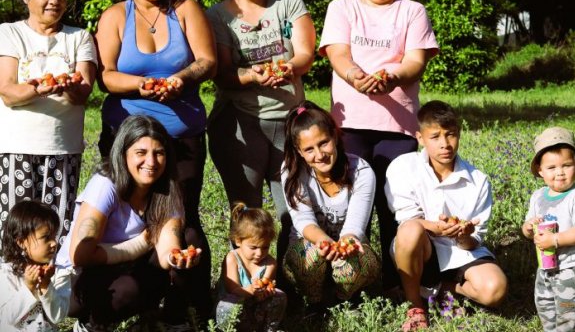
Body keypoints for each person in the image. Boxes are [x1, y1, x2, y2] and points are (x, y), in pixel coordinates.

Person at [94, 0, 215, 317]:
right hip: (126, 140)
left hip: (182, 138)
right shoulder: (115, 15)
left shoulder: (185, 9)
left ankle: (188, 303)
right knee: (128, 221)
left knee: (183, 218)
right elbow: (106, 77)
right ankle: (136, 294)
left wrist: (180, 78)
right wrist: (140, 84)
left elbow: (207, 61)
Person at [318, 0, 439, 292]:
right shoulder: (342, 7)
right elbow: (338, 54)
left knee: (394, 207)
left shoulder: (412, 11)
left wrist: (392, 77)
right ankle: (352, 281)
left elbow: (416, 61)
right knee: (351, 205)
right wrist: (356, 76)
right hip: (349, 122)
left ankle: (396, 280)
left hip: (397, 125)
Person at [205, 0, 316, 272]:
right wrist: (252, 76)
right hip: (240, 123)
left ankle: (292, 280)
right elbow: (222, 74)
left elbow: (306, 55)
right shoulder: (218, 16)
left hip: (290, 122)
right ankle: (242, 285)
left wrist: (288, 68)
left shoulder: (289, 3)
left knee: (294, 209)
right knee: (247, 211)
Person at [55, 115, 202, 331]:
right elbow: (80, 254)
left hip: (122, 269)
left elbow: (166, 250)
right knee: (129, 289)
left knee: (189, 237)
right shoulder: (106, 185)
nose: (151, 162)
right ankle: (91, 325)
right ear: (123, 155)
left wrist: (176, 258)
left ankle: (171, 319)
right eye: (140, 153)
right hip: (77, 281)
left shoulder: (168, 188)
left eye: (159, 153)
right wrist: (137, 247)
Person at [0, 0, 97, 248]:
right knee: (16, 230)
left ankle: (54, 291)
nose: (54, 0)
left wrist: (67, 86)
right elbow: (8, 91)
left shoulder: (79, 37)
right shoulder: (9, 33)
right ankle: (12, 292)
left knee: (56, 230)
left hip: (62, 150)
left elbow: (83, 92)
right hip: (17, 149)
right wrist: (39, 89)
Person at [385, 100, 507, 331]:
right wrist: (439, 228)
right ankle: (416, 305)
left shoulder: (478, 180)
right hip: (422, 249)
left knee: (495, 290)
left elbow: (474, 241)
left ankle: (442, 289)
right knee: (410, 230)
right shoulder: (403, 167)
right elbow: (407, 220)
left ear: (459, 134)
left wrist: (464, 235)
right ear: (420, 138)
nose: (445, 144)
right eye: (435, 137)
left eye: (450, 135)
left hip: (460, 252)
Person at [281, 101, 379, 310]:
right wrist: (326, 243)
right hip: (310, 246)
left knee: (353, 261)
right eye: (309, 149)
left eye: (324, 143)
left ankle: (343, 299)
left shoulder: (362, 171)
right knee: (311, 254)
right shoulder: (292, 172)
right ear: (299, 151)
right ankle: (315, 302)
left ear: (335, 136)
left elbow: (355, 226)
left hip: (346, 245)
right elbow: (303, 221)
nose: (319, 154)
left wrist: (342, 246)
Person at [522, 127, 575, 332]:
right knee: (546, 310)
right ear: (540, 170)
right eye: (552, 167)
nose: (560, 172)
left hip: (574, 267)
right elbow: (528, 227)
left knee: (571, 317)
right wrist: (528, 228)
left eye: (566, 165)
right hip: (546, 267)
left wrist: (555, 240)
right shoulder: (538, 196)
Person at [0, 200, 71, 331]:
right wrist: (28, 287)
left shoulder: (59, 273)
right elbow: (6, 318)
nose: (54, 243)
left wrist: (46, 286)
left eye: (54, 236)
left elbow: (58, 316)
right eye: (46, 237)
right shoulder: (6, 273)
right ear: (22, 242)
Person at [216, 202, 287, 331]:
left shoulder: (270, 263)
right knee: (228, 305)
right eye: (253, 247)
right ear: (238, 241)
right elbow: (232, 289)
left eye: (265, 247)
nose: (260, 253)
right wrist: (251, 290)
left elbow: (265, 287)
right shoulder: (232, 258)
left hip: (256, 310)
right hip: (236, 310)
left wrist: (265, 292)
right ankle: (228, 329)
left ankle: (267, 328)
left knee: (279, 296)